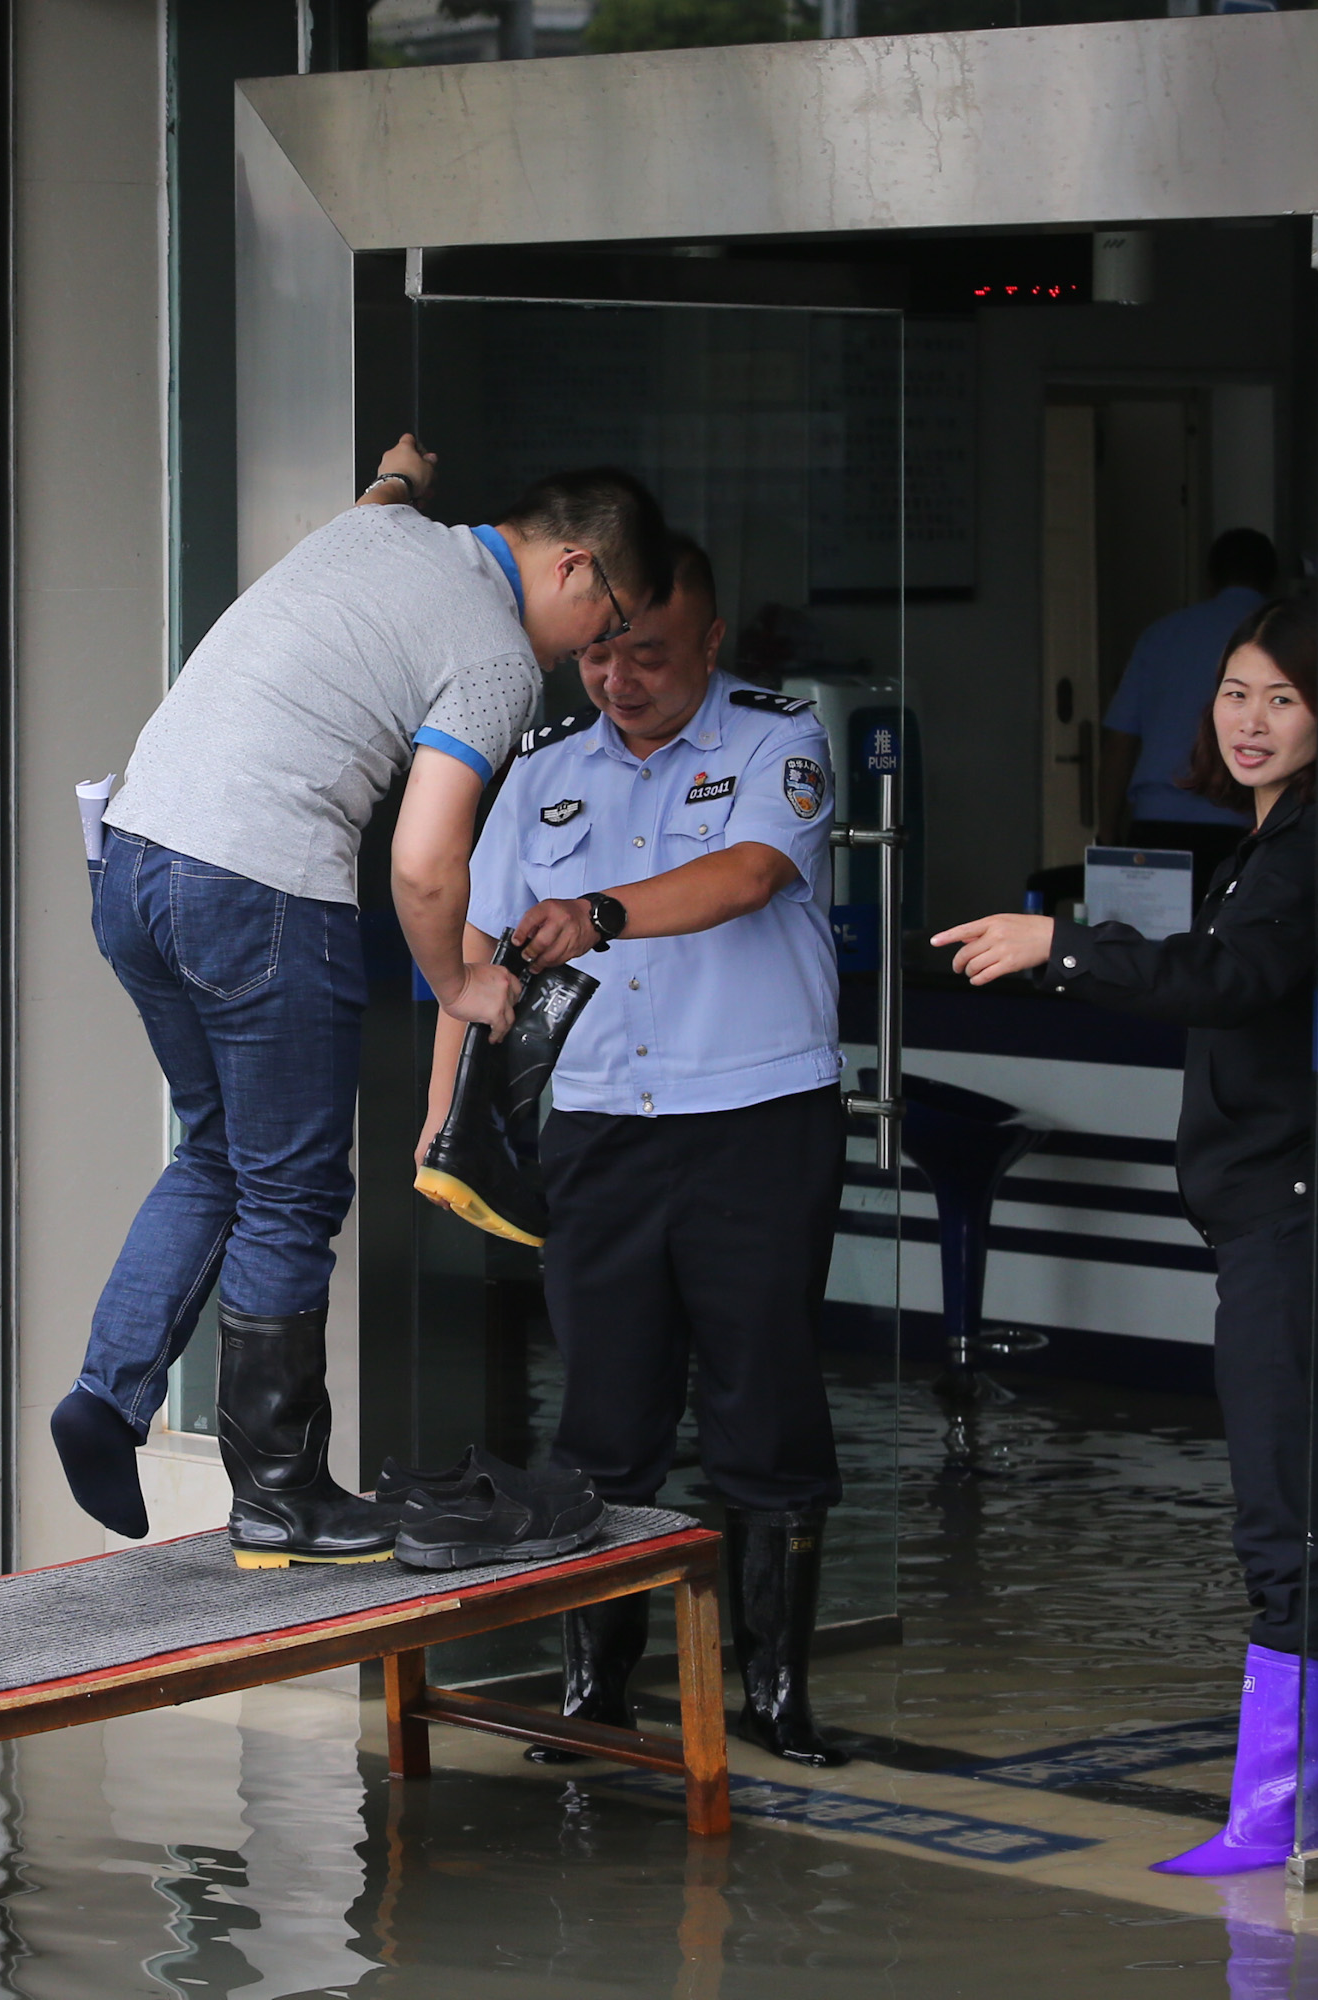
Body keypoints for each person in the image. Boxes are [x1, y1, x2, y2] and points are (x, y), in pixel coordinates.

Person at [58, 440, 674, 1567]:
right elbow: (426, 858)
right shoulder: (493, 656)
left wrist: (404, 469)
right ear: (576, 567)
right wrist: (461, 982)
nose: (602, 648)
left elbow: (383, 490)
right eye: (612, 618)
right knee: (291, 1190)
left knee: (218, 1152)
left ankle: (107, 1397)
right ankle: (282, 1494)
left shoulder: (378, 529)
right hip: (256, 886)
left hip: (134, 860)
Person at [931, 596, 1318, 1873]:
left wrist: (1061, 946)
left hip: (1302, 1221)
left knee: (1293, 1511)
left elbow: (1226, 982)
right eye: (1234, 692)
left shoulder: (1315, 848)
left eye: (1284, 698)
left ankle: (1284, 1809)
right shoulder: (1287, 838)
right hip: (1314, 1211)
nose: (1251, 721)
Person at [420, 538, 851, 1766]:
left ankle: (776, 1691)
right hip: (602, 1125)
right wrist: (443, 1119)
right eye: (600, 650)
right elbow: (477, 962)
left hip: (757, 1118)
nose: (618, 676)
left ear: (712, 643)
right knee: (605, 1416)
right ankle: (594, 1693)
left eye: (649, 652)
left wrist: (604, 910)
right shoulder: (541, 773)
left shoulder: (779, 739)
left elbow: (751, 873)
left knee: (763, 1402)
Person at [1100, 529, 1278, 885]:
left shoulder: (1162, 634)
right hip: (1248, 824)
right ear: (1272, 578)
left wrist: (1106, 830)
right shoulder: (1278, 639)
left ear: (1209, 579)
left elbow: (1121, 741)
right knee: (1233, 938)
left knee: (1148, 940)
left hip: (1159, 825)